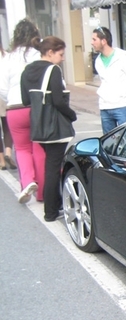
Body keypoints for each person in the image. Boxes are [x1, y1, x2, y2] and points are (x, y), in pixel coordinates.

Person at [21, 36, 77, 222]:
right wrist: (71, 115)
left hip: (38, 125)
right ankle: (51, 210)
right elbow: (58, 101)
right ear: (51, 53)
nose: (62, 58)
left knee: (50, 166)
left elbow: (25, 100)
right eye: (60, 54)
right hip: (55, 127)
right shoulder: (53, 70)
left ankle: (55, 204)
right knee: (53, 168)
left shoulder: (28, 70)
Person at [0, 18, 43, 203]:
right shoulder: (38, 55)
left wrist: (11, 97)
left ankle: (26, 182)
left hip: (15, 108)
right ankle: (43, 191)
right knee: (38, 147)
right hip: (35, 107)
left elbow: (1, 87)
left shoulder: (8, 58)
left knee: (22, 149)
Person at [91, 26, 126, 134]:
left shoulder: (123, 58)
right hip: (104, 106)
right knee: (108, 141)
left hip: (121, 106)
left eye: (94, 39)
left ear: (103, 41)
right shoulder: (98, 61)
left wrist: (124, 97)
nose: (92, 42)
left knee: (125, 138)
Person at [0, 33, 16, 171]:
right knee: (7, 126)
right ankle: (8, 152)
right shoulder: (6, 56)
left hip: (3, 91)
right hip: (5, 94)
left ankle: (1, 161)